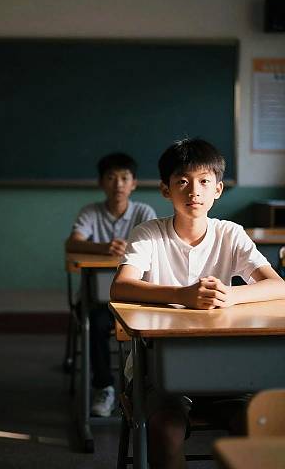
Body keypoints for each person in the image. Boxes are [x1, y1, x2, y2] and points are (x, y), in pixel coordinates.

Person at [112, 138, 285, 469]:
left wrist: (230, 295)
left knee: (261, 425)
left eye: (204, 181)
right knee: (164, 430)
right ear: (166, 190)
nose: (194, 191)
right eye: (182, 181)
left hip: (223, 367)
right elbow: (120, 287)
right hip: (158, 368)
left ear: (218, 189)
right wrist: (182, 295)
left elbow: (278, 286)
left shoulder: (230, 234)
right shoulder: (148, 233)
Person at [65, 152, 157, 417]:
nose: (118, 184)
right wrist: (103, 247)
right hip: (97, 299)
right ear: (101, 183)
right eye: (111, 178)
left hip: (137, 297)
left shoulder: (144, 212)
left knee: (151, 323)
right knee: (95, 323)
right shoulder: (91, 212)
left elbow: (154, 250)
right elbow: (72, 243)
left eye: (124, 178)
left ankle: (142, 384)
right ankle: (104, 386)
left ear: (134, 183)